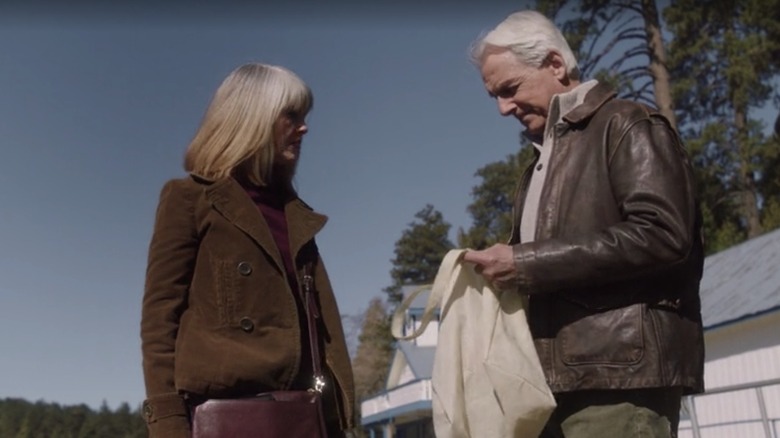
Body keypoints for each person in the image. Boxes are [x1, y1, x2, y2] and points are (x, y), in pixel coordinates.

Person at [463, 10, 704, 438]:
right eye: (494, 97)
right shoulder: (541, 162)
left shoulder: (627, 124)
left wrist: (525, 264)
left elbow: (664, 234)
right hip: (556, 386)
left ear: (556, 64)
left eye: (510, 89)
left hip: (621, 381)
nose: (503, 108)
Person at [140, 63, 355, 438]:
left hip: (304, 420)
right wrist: (169, 426)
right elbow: (160, 323)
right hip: (224, 421)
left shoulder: (297, 215)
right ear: (252, 116)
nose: (303, 128)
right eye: (291, 115)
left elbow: (321, 336)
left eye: (304, 117)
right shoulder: (189, 199)